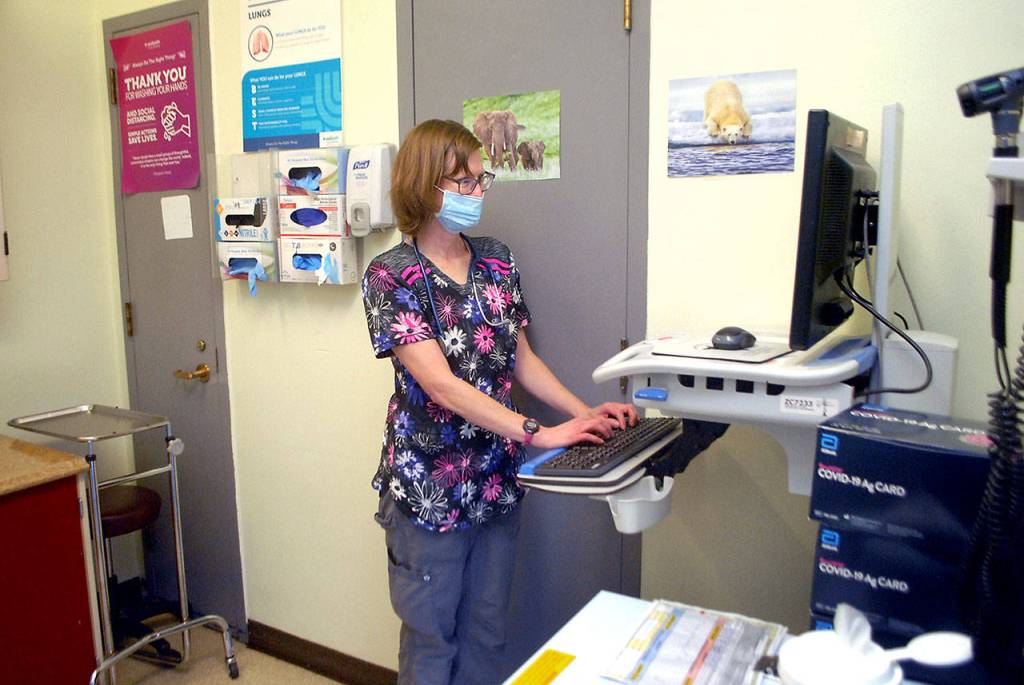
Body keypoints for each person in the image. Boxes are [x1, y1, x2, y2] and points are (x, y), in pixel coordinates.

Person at [361, 119, 637, 685]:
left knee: (487, 630)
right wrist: (541, 433)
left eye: (480, 181)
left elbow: (520, 358)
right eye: (460, 183)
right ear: (424, 185)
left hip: (495, 478)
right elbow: (442, 386)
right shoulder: (391, 276)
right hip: (429, 487)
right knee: (432, 640)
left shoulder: (495, 260)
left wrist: (581, 413)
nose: (475, 194)